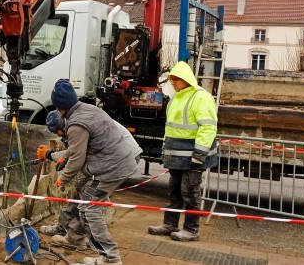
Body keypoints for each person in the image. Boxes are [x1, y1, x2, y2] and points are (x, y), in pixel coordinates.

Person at [46, 79, 142, 265]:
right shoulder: (89, 110)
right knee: (83, 194)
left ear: (60, 108)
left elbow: (78, 159)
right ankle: (75, 237)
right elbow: (76, 148)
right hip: (116, 162)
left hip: (110, 168)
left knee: (88, 208)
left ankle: (110, 257)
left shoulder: (75, 124)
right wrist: (63, 157)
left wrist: (63, 178)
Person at [147, 61, 218, 242]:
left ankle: (191, 230)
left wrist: (199, 155)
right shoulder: (176, 98)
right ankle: (170, 225)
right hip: (178, 156)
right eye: (171, 80)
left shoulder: (201, 97)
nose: (173, 83)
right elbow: (170, 128)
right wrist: (166, 150)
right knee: (174, 191)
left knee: (190, 192)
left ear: (185, 79)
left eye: (176, 80)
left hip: (194, 156)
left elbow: (208, 128)